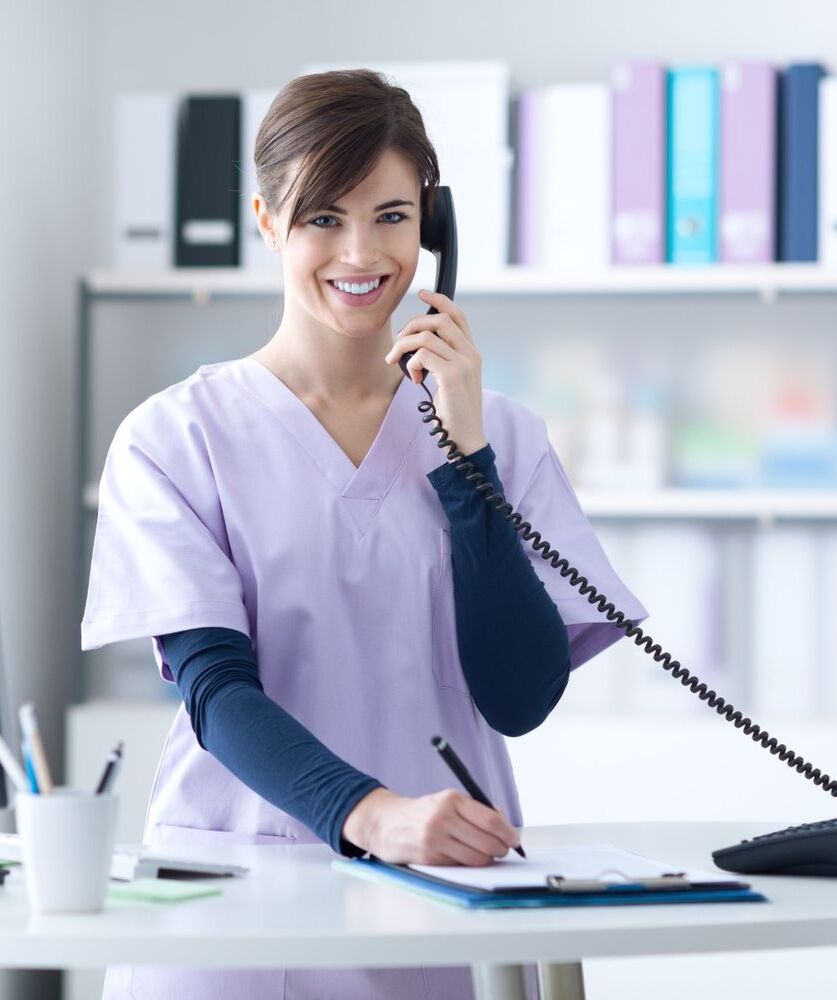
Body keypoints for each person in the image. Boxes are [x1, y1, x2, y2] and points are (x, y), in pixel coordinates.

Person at [81, 69, 648, 1000]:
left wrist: (465, 461)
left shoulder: (498, 434)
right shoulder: (174, 437)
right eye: (320, 218)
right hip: (233, 904)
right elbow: (215, 691)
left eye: (391, 216)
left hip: (437, 896)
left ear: (432, 224)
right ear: (266, 220)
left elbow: (517, 695)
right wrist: (370, 814)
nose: (360, 251)